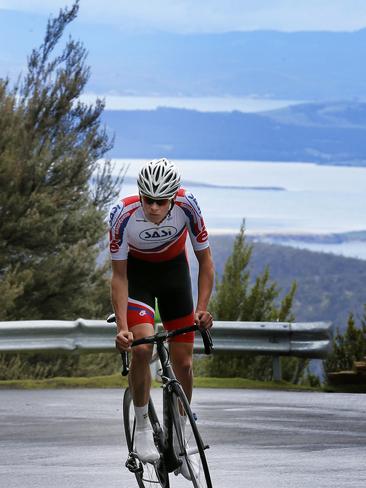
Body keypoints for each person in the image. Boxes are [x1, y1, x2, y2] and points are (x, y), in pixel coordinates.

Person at [109, 158, 214, 476]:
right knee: (142, 348)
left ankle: (181, 436)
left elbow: (205, 262)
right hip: (138, 278)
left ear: (173, 198)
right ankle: (142, 428)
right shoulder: (123, 214)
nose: (154, 208)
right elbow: (118, 276)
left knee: (183, 362)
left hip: (174, 276)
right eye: (148, 200)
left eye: (161, 201)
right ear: (140, 196)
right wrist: (124, 328)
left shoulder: (188, 206)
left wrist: (202, 308)